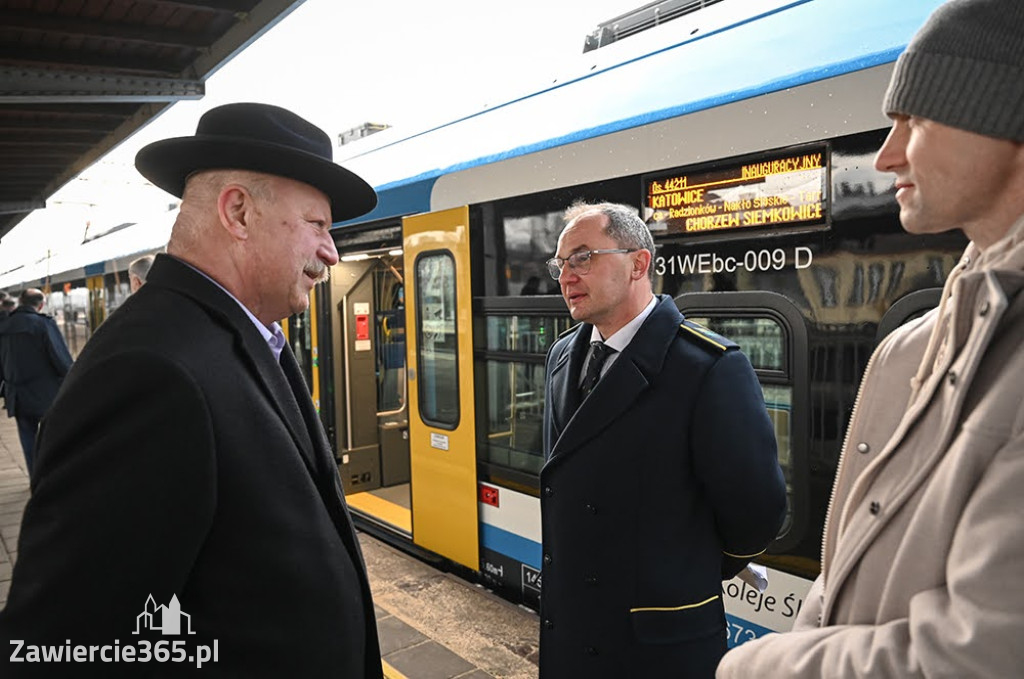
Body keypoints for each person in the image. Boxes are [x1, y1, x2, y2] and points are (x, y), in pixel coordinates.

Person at [0, 103, 383, 677]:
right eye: (318, 225)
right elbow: (61, 646)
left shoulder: (234, 335)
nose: (332, 252)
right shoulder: (149, 373)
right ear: (238, 212)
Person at [716, 1, 1024, 676]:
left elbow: (982, 654)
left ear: (1003, 117)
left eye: (915, 121)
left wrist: (752, 667)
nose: (886, 156)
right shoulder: (918, 343)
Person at [539, 201, 787, 678]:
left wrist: (682, 570)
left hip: (656, 642)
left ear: (639, 264)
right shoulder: (562, 356)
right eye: (560, 263)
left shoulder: (708, 367)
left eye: (583, 257)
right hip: (570, 628)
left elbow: (759, 511)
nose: (566, 276)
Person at [0, 288, 73, 476]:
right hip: (47, 394)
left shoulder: (4, 326)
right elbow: (60, 359)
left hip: (18, 395)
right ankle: (54, 478)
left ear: (20, 302)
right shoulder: (43, 324)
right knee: (55, 437)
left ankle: (36, 479)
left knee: (27, 438)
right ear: (40, 305)